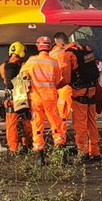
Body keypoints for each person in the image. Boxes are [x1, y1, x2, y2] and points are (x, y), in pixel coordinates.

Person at [19, 35, 64, 164]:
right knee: (56, 124)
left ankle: (40, 157)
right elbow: (56, 80)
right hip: (50, 98)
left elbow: (22, 77)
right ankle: (61, 153)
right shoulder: (54, 62)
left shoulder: (31, 61)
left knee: (37, 126)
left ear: (38, 46)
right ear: (49, 47)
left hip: (35, 99)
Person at [62, 38, 101, 162]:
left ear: (62, 43)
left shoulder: (69, 54)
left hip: (79, 92)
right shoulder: (86, 49)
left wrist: (56, 86)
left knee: (80, 125)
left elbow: (67, 79)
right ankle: (95, 152)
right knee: (92, 123)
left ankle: (83, 153)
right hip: (91, 90)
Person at [0, 42, 28, 153]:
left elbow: (5, 80)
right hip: (21, 97)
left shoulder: (3, 66)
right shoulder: (23, 65)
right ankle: (27, 144)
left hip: (9, 98)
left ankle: (13, 148)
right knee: (26, 121)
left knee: (11, 125)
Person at [50, 32, 72, 142]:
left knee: (62, 113)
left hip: (62, 86)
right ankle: (61, 137)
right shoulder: (73, 50)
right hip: (65, 86)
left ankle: (61, 139)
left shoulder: (55, 53)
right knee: (64, 113)